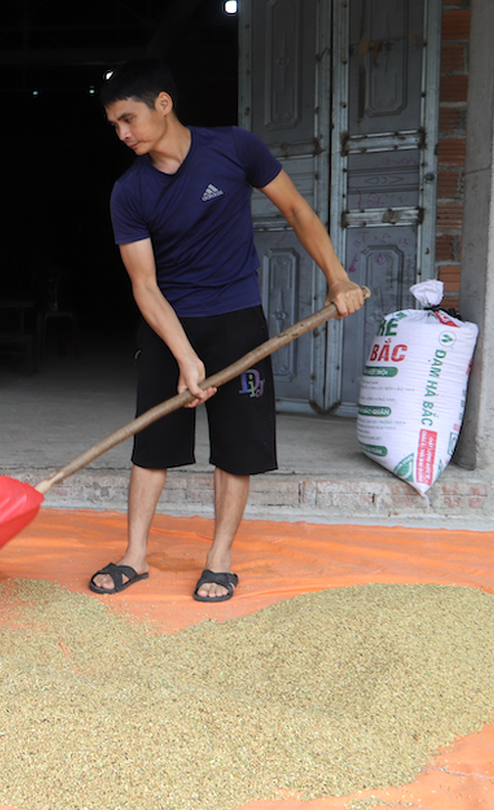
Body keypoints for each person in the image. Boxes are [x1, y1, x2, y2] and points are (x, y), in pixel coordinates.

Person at [89, 61, 364, 602]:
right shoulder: (130, 191)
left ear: (163, 104)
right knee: (152, 443)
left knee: (237, 446)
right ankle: (134, 556)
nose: (123, 134)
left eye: (129, 118)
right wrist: (185, 356)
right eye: (114, 125)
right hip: (170, 327)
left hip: (239, 322)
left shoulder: (235, 148)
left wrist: (338, 278)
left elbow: (296, 209)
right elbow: (145, 287)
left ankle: (219, 558)